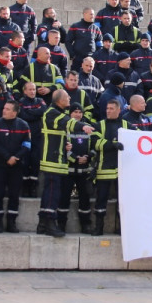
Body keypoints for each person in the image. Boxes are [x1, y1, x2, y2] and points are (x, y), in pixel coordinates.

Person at [38, 90, 95, 237]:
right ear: (59, 100)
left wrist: (65, 144)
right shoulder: (51, 113)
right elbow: (67, 123)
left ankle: (43, 224)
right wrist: (83, 126)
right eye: (67, 97)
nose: (70, 98)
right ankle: (50, 223)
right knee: (52, 193)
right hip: (52, 161)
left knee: (50, 192)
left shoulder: (56, 112)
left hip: (57, 160)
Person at [0, 101, 32, 234]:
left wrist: (16, 158)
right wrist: (7, 157)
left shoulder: (23, 125)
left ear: (15, 112)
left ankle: (11, 222)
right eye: (4, 108)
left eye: (7, 109)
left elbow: (27, 145)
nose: (4, 111)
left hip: (17, 166)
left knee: (14, 194)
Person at [90, 99, 130, 234]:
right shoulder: (99, 125)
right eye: (107, 108)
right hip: (103, 169)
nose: (108, 111)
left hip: (122, 172)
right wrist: (112, 144)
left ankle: (121, 229)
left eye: (112, 109)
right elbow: (95, 143)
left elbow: (137, 141)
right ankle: (98, 227)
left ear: (119, 110)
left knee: (122, 202)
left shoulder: (127, 125)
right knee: (100, 201)